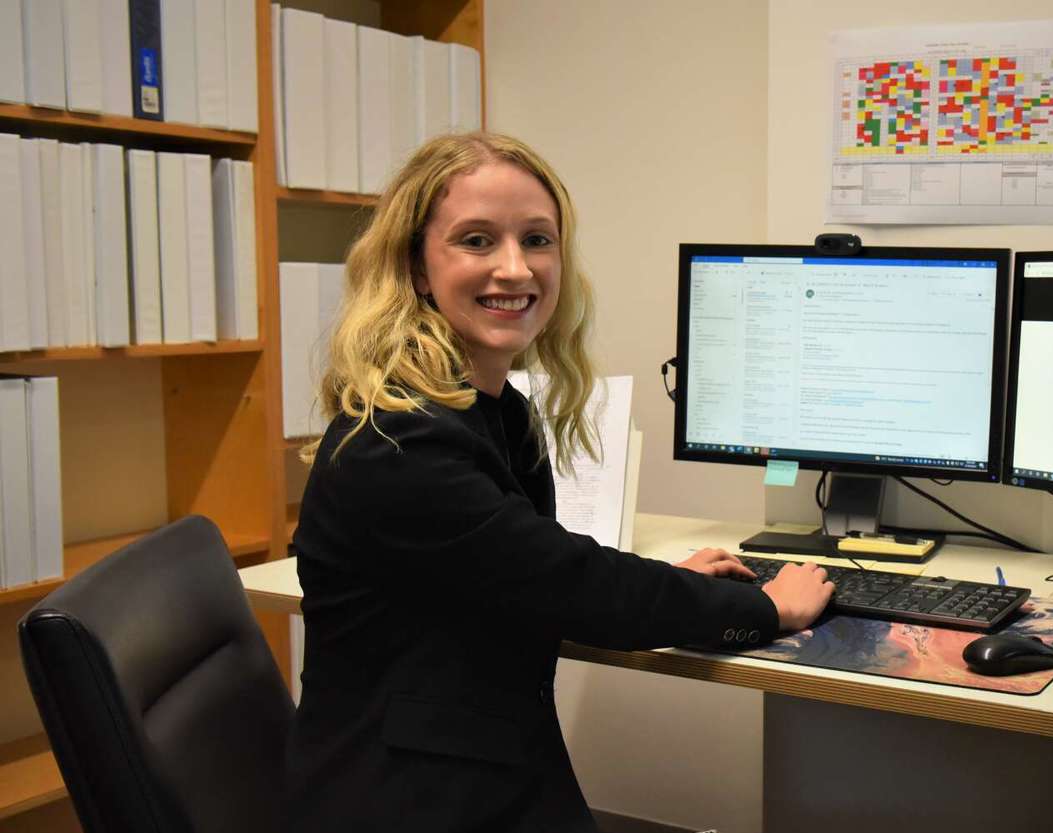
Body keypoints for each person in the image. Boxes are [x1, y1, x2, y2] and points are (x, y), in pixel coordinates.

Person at [285, 133, 834, 832]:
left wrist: (673, 578)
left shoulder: (493, 408)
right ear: (417, 267)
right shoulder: (401, 442)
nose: (514, 269)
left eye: (536, 240)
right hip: (410, 797)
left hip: (472, 760)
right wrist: (768, 608)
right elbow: (573, 584)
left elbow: (530, 565)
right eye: (477, 240)